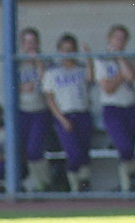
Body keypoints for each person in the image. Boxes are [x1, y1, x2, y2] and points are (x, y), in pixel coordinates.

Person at [42, 33, 94, 193]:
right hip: (64, 115)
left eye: (71, 49)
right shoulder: (53, 73)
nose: (68, 53)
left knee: (84, 151)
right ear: (59, 51)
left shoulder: (81, 69)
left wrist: (88, 58)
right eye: (65, 49)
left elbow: (91, 80)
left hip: (82, 113)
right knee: (74, 152)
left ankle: (84, 184)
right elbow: (50, 99)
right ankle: (74, 185)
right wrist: (61, 119)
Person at [93, 24, 135, 192]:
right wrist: (121, 74)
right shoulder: (101, 59)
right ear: (109, 39)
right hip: (112, 108)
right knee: (124, 146)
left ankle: (129, 185)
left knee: (130, 146)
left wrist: (121, 59)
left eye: (123, 38)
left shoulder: (131, 57)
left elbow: (133, 76)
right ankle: (129, 182)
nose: (119, 41)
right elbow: (108, 87)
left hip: (130, 107)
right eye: (116, 38)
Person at [17, 27, 53, 192]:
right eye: (27, 42)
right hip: (23, 112)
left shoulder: (46, 61)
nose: (30, 45)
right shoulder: (17, 63)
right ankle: (26, 184)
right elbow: (11, 88)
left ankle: (44, 183)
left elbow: (48, 82)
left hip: (40, 111)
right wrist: (22, 87)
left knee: (35, 149)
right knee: (21, 150)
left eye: (33, 42)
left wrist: (38, 62)